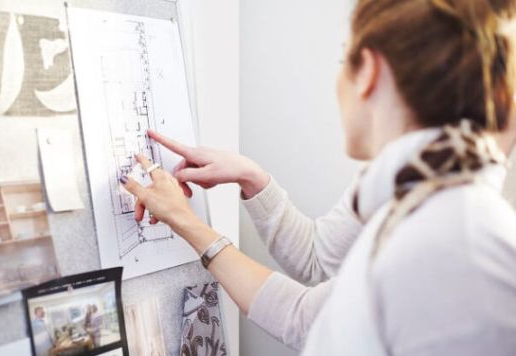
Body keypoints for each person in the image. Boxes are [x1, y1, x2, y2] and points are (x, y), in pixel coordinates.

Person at [121, 0, 516, 355]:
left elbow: (304, 318)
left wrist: (186, 220)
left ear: (369, 72)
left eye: (345, 59)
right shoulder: (416, 200)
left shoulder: (451, 238)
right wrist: (252, 177)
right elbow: (317, 265)